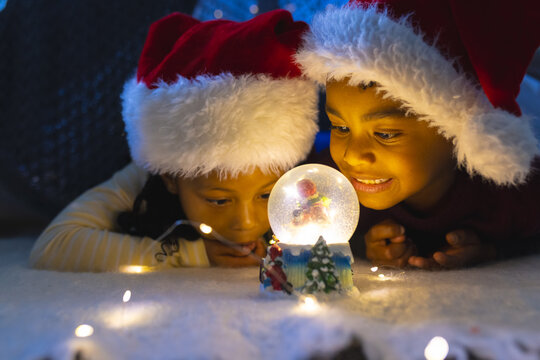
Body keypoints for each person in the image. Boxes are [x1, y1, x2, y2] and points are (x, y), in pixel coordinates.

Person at [29, 10, 319, 272]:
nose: (244, 222)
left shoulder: (301, 181)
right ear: (171, 177)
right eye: (218, 199)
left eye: (266, 195)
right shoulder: (146, 176)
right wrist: (190, 253)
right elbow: (54, 245)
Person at [296, 0, 540, 269]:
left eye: (386, 134)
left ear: (454, 129)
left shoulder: (513, 194)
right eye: (341, 128)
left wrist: (495, 252)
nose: (352, 156)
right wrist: (361, 245)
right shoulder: (328, 188)